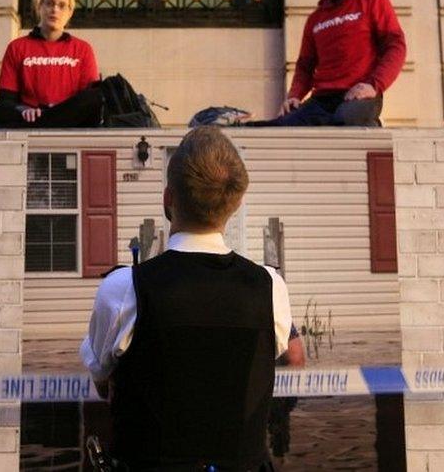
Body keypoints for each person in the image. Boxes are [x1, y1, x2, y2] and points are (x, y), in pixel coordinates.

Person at [80, 126, 292, 471]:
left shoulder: (124, 288)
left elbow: (102, 381)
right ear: (235, 204)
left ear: (168, 199)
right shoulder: (270, 287)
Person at [252, 0, 406, 127]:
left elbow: (395, 46)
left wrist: (374, 85)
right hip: (322, 100)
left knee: (344, 121)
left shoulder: (374, 1)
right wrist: (294, 96)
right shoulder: (315, 19)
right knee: (281, 125)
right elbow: (305, 66)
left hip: (358, 96)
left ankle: (372, 126)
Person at [0, 0, 103, 129]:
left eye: (62, 5)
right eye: (49, 3)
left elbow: (89, 101)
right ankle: (36, 123)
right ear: (39, 7)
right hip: (27, 116)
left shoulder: (83, 49)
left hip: (65, 116)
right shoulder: (17, 47)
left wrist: (53, 113)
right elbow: (6, 100)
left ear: (70, 12)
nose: (55, 10)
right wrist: (24, 110)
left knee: (96, 97)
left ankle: (2, 128)